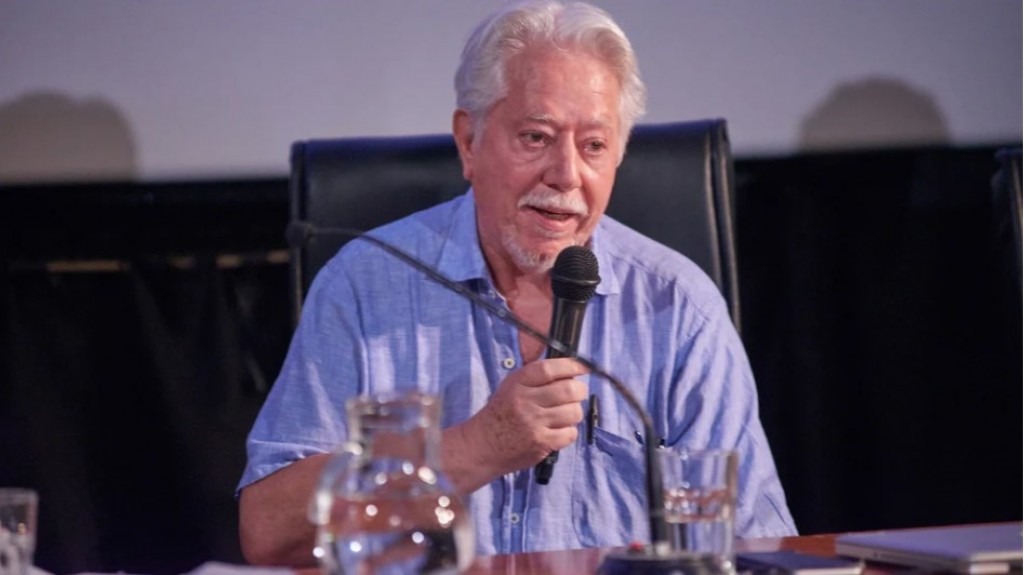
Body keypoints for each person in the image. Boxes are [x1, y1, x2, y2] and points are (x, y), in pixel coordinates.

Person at [237, 0, 797, 565]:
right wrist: (476, 446)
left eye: (594, 145)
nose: (567, 174)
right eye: (536, 137)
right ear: (469, 141)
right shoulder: (364, 286)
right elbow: (269, 533)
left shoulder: (678, 306)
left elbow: (759, 545)